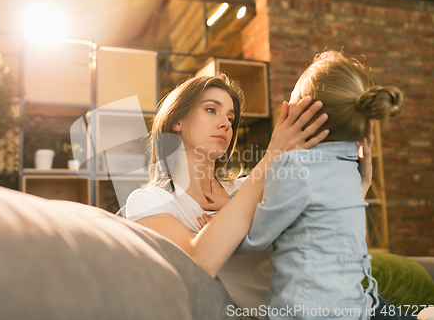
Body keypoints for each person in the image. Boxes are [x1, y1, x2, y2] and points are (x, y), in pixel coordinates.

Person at [122, 73, 331, 315]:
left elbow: (319, 232)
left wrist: (361, 183)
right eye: (212, 110)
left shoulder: (245, 188)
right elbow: (197, 262)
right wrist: (272, 157)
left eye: (231, 118)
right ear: (176, 121)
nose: (226, 124)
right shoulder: (149, 201)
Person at [228, 50, 404, 320]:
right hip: (352, 306)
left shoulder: (297, 167)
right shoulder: (350, 169)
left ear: (302, 115)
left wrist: (221, 220)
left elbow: (254, 238)